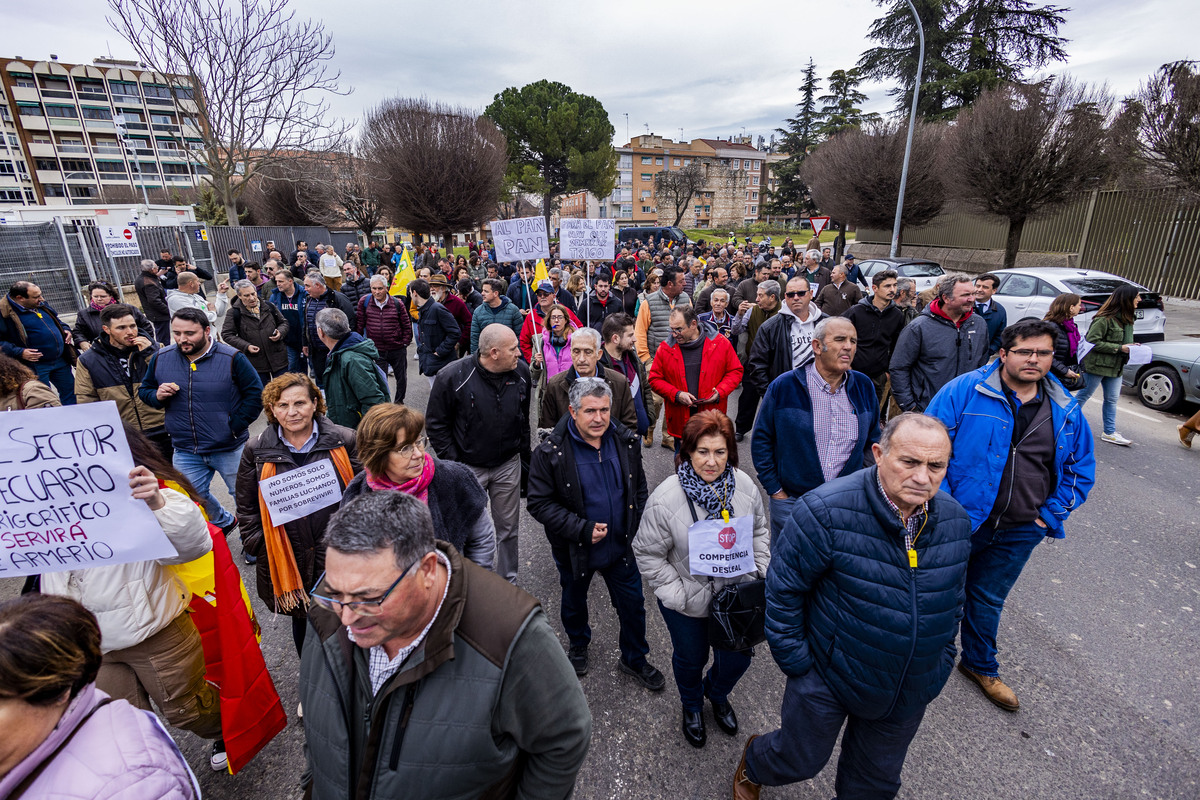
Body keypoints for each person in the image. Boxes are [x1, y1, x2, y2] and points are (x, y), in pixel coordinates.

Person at [732, 414, 972, 800]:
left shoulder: (956, 521)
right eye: (909, 462)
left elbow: (954, 598)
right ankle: (756, 762)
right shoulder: (825, 510)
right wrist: (799, 665)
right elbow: (783, 589)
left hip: (907, 688)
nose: (923, 477)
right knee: (799, 759)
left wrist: (941, 658)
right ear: (879, 454)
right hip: (829, 677)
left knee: (873, 785)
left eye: (936, 465)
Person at [300, 490, 591, 798]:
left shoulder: (509, 635)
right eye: (333, 592)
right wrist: (313, 779)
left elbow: (565, 737)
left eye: (369, 599)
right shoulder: (327, 612)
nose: (346, 618)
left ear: (426, 571)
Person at [926, 320, 1095, 713]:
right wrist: (943, 509)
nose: (1034, 359)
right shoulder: (965, 391)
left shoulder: (1065, 409)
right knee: (938, 591)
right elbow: (928, 450)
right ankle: (921, 659)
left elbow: (1079, 468)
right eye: (1025, 351)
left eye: (1044, 353)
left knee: (988, 598)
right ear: (1004, 354)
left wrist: (1047, 517)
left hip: (1022, 527)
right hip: (959, 522)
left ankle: (980, 666)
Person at [40, 431, 229, 770]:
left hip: (155, 632)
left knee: (189, 710)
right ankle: (153, 778)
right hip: (92, 644)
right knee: (123, 728)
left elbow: (195, 545)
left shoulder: (144, 494)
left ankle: (228, 731)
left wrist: (158, 504)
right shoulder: (42, 507)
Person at [634, 411, 770, 748]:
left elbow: (760, 533)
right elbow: (647, 554)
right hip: (688, 603)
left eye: (720, 452)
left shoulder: (745, 486)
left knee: (737, 659)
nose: (711, 462)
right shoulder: (666, 498)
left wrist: (759, 572)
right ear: (687, 453)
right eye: (703, 452)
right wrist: (679, 595)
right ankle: (692, 705)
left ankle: (717, 693)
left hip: (738, 599)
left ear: (731, 453)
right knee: (689, 660)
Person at [528, 376, 665, 688]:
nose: (599, 418)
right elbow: (538, 503)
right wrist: (580, 529)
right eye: (590, 411)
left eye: (604, 410)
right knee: (574, 601)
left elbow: (639, 488)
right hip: (576, 549)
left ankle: (634, 658)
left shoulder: (625, 441)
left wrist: (632, 526)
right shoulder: (551, 452)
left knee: (633, 605)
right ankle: (578, 645)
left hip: (619, 546)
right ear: (573, 411)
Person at [0, 594, 200, 798]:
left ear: (57, 691)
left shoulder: (127, 786)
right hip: (96, 642)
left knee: (192, 712)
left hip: (148, 629)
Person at [237, 373, 360, 645]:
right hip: (289, 554)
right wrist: (261, 545)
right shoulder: (256, 449)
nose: (291, 412)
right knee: (305, 627)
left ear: (315, 403)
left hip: (339, 553)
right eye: (282, 405)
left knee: (351, 624)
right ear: (271, 409)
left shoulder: (345, 439)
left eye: (300, 403)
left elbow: (366, 497)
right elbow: (246, 508)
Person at [140, 307, 264, 538]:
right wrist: (156, 396)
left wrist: (233, 426)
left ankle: (253, 541)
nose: (182, 339)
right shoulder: (161, 358)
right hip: (185, 448)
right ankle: (222, 521)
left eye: (189, 333)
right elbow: (145, 391)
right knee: (189, 497)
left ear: (207, 331)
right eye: (176, 333)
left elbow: (255, 394)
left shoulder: (232, 358)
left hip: (230, 447)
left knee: (246, 498)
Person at [752, 317, 881, 539]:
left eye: (853, 341)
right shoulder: (785, 386)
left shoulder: (863, 386)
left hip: (845, 503)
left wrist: (862, 484)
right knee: (790, 566)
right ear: (817, 346)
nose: (848, 347)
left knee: (839, 565)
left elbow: (872, 440)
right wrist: (775, 490)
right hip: (793, 501)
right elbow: (761, 439)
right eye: (840, 339)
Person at [427, 324, 530, 583]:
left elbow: (523, 418)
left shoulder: (521, 373)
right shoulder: (451, 376)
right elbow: (436, 424)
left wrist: (525, 460)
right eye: (513, 348)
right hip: (467, 467)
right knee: (466, 528)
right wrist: (455, 465)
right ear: (494, 353)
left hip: (507, 465)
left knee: (508, 529)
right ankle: (471, 583)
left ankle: (508, 582)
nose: (519, 353)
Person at [341, 402, 495, 569]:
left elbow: (482, 539)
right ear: (379, 455)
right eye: (405, 448)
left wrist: (467, 585)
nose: (418, 454)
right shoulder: (358, 496)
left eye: (419, 442)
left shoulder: (454, 478)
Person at [76, 303, 169, 457]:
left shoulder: (156, 349)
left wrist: (150, 354)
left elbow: (171, 379)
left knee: (169, 479)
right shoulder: (89, 360)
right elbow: (86, 401)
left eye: (133, 326)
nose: (130, 332)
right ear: (107, 330)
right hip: (123, 433)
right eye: (121, 328)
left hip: (160, 428)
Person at [888, 273, 990, 413]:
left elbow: (982, 362)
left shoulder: (979, 324)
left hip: (965, 408)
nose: (972, 299)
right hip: (928, 409)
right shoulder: (918, 327)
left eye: (973, 294)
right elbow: (899, 368)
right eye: (965, 295)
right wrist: (910, 407)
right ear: (946, 298)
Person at [648, 306, 743, 451]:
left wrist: (720, 392)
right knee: (683, 463)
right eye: (671, 329)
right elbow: (654, 379)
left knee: (710, 463)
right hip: (681, 421)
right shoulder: (665, 348)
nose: (674, 334)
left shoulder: (720, 343)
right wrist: (676, 394)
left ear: (693, 324)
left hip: (711, 417)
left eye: (678, 329)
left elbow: (735, 371)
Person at [1074, 284, 1140, 446]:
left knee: (1111, 400)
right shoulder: (1104, 319)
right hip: (1097, 366)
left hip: (1116, 367)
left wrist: (1132, 347)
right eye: (1137, 296)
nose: (1139, 299)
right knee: (1083, 396)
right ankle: (1065, 422)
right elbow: (1092, 341)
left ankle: (1109, 432)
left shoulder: (1128, 319)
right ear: (1127, 299)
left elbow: (1125, 342)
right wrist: (1119, 348)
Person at [636, 264, 693, 449]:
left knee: (675, 399)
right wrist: (646, 360)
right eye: (681, 281)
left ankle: (668, 436)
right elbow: (640, 333)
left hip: (681, 359)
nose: (685, 283)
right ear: (670, 284)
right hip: (655, 359)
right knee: (656, 400)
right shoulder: (648, 302)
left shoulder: (685, 299)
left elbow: (693, 327)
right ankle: (650, 428)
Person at [539, 326, 637, 430]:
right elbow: (548, 431)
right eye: (576, 351)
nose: (581, 359)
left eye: (588, 352)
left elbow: (629, 427)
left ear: (599, 354)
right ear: (571, 352)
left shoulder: (619, 382)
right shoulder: (555, 385)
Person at [0, 280, 77, 404]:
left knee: (72, 393)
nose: (41, 299)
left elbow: (57, 320)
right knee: (42, 399)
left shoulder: (40, 304)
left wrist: (65, 329)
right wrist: (19, 352)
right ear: (20, 298)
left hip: (60, 360)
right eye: (36, 297)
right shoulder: (4, 313)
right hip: (35, 366)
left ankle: (73, 421)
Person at [314, 307, 390, 429]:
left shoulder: (352, 360)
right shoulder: (338, 354)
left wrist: (364, 436)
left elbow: (373, 402)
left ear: (320, 332)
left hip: (356, 434)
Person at [843, 269, 905, 402]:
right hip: (853, 372)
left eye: (895, 285)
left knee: (872, 413)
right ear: (874, 288)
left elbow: (897, 345)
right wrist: (847, 365)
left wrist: (887, 372)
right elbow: (840, 337)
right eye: (887, 286)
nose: (893, 289)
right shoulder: (856, 312)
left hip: (879, 376)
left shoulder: (897, 315)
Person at [221, 279, 289, 387]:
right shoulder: (234, 313)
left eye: (253, 294)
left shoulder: (268, 306)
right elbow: (227, 334)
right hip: (256, 362)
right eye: (246, 296)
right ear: (239, 296)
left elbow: (283, 323)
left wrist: (280, 333)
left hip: (278, 359)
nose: (252, 298)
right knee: (263, 395)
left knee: (284, 390)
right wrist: (246, 346)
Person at [357, 274, 413, 403]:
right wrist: (361, 345)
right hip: (377, 350)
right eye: (374, 288)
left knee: (401, 378)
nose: (377, 292)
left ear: (386, 288)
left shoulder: (397, 303)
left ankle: (399, 402)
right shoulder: (364, 302)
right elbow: (360, 325)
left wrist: (404, 342)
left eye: (380, 288)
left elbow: (406, 325)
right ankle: (386, 404)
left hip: (396, 348)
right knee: (381, 380)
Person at [599, 312, 650, 437]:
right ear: (615, 338)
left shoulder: (633, 359)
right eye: (630, 335)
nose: (635, 339)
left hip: (637, 433)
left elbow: (645, 387)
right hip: (615, 436)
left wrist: (649, 417)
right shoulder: (599, 366)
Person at [301, 273, 357, 388]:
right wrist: (305, 343)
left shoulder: (338, 299)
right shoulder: (308, 300)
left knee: (337, 383)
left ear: (317, 285)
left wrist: (344, 346)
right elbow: (306, 323)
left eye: (307, 286)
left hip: (335, 352)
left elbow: (351, 323)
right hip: (316, 351)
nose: (305, 289)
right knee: (321, 381)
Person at [73, 281, 154, 350]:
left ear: (111, 295)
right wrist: (82, 342)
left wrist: (140, 341)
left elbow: (146, 327)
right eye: (95, 296)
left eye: (103, 296)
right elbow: (78, 332)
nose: (99, 299)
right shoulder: (84, 314)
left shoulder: (129, 309)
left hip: (132, 350)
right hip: (102, 353)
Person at [410, 277, 462, 384]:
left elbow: (455, 332)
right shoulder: (424, 310)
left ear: (415, 293)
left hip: (441, 364)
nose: (410, 296)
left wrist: (439, 351)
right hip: (431, 364)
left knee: (444, 399)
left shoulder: (437, 308)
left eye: (410, 293)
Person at [1043, 292, 1085, 390]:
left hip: (1060, 374)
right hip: (1049, 375)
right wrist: (1064, 371)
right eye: (1079, 305)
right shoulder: (1051, 326)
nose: (1080, 308)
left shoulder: (1071, 327)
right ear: (1071, 308)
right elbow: (1045, 354)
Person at [269, 269, 308, 374]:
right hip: (287, 340)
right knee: (290, 368)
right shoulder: (275, 297)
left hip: (304, 338)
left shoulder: (304, 294)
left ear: (290, 281)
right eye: (276, 281)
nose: (278, 284)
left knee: (303, 369)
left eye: (281, 281)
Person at [469, 277, 523, 351]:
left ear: (495, 293)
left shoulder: (513, 310)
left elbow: (520, 336)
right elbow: (475, 339)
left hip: (507, 356)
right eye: (482, 290)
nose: (482, 293)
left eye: (486, 291)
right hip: (487, 357)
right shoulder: (478, 312)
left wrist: (516, 355)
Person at [533, 303, 577, 387]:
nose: (556, 320)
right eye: (553, 317)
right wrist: (537, 365)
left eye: (560, 317)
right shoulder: (540, 341)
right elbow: (534, 376)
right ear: (549, 320)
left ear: (566, 320)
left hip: (571, 389)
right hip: (549, 390)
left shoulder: (576, 340)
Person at [428, 273, 472, 357]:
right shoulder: (428, 303)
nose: (432, 289)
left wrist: (460, 342)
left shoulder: (457, 302)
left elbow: (469, 323)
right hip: (433, 349)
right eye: (430, 286)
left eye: (435, 286)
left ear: (444, 288)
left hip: (452, 348)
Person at [136, 258, 173, 345]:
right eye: (156, 267)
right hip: (158, 314)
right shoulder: (149, 283)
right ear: (152, 269)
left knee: (162, 334)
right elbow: (154, 300)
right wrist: (168, 310)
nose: (158, 268)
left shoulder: (144, 278)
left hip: (155, 313)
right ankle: (163, 353)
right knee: (163, 337)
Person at [974, 273, 1008, 356]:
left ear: (994, 290)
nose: (979, 290)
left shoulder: (1000, 311)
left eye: (985, 287)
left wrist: (990, 351)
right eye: (978, 286)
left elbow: (1000, 335)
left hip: (982, 357)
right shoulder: (963, 306)